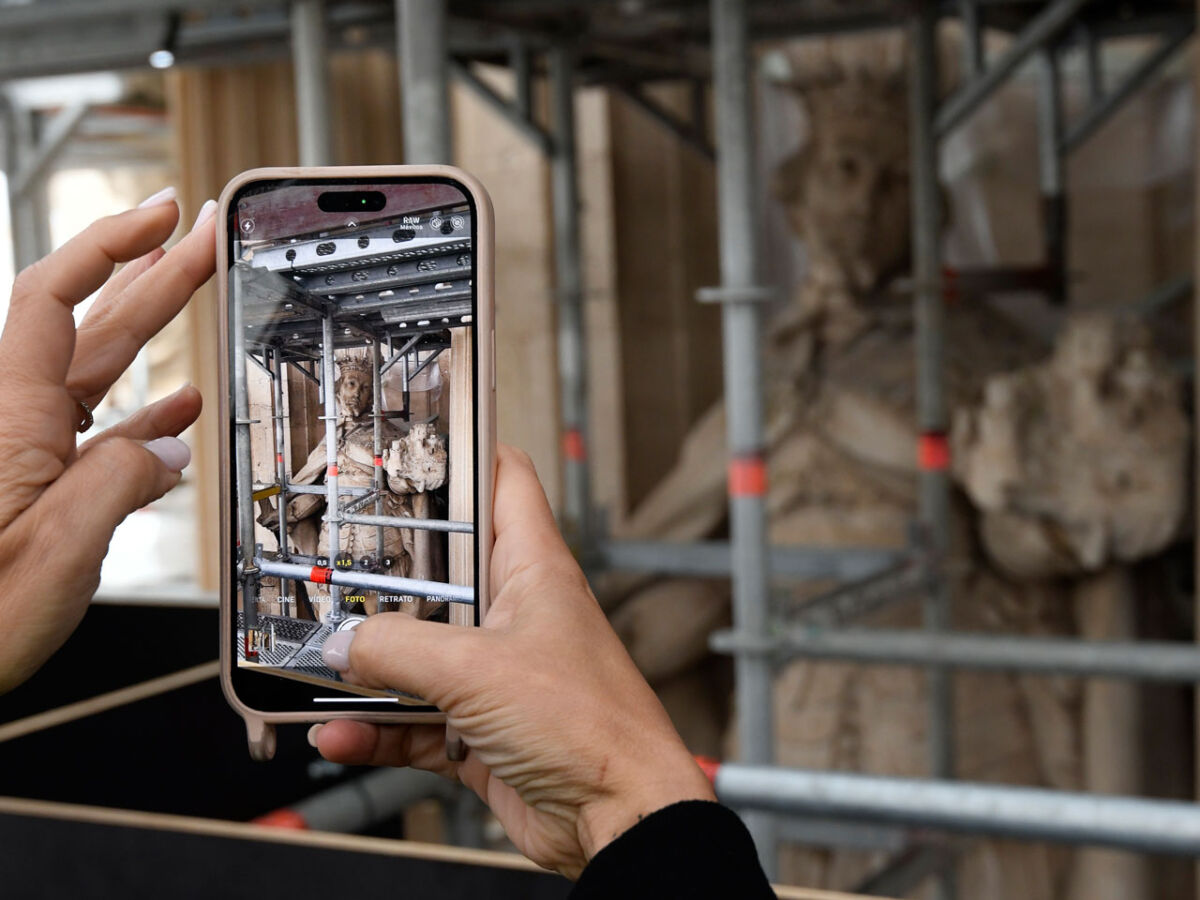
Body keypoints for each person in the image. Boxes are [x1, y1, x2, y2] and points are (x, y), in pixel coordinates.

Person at [0, 189, 776, 897]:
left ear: (369, 388)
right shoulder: (328, 445)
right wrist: (283, 507)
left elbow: (426, 474)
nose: (347, 394)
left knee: (384, 621)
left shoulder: (394, 431)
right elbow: (299, 490)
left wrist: (625, 803)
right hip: (337, 561)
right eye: (338, 387)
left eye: (354, 386)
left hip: (394, 563)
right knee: (313, 587)